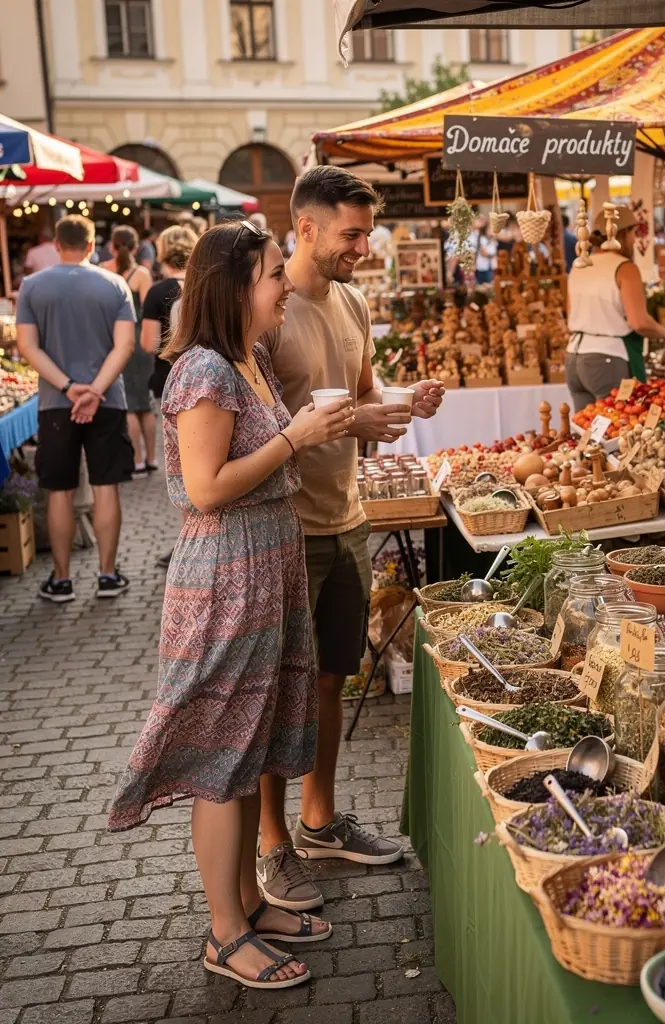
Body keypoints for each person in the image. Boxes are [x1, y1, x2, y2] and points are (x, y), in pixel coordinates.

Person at [108, 221, 355, 991]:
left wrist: (321, 429)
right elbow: (208, 487)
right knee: (221, 757)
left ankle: (248, 900)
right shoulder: (203, 372)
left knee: (246, 750)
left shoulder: (247, 361)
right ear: (236, 285)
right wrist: (295, 440)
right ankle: (224, 934)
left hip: (264, 566)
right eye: (275, 274)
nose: (286, 286)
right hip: (225, 580)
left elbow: (255, 459)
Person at [258, 165, 445, 910]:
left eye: (367, 233)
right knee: (280, 691)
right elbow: (259, 432)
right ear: (305, 228)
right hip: (287, 527)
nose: (364, 246)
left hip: (347, 517)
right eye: (353, 233)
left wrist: (402, 401)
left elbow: (363, 396)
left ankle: (320, 819)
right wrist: (354, 420)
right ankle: (272, 845)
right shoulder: (266, 312)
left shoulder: (356, 301)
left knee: (334, 676)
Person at [15, 215, 135, 602]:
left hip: (55, 404)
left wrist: (69, 388)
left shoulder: (32, 286)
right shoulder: (115, 284)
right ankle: (107, 574)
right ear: (90, 245)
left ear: (55, 244)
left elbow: (28, 348)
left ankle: (62, 579)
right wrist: (95, 390)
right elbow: (125, 346)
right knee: (105, 488)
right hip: (108, 400)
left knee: (60, 491)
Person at [565, 205, 665, 412]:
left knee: (586, 432)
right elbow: (639, 322)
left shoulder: (579, 265)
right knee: (616, 431)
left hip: (574, 358)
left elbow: (570, 315)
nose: (635, 241)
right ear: (622, 233)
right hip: (606, 360)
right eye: (633, 234)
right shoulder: (625, 268)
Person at [141, 224, 199, 569]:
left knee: (180, 469)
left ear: (162, 252)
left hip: (168, 385)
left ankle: (186, 543)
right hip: (204, 382)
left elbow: (149, 344)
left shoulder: (156, 291)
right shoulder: (201, 284)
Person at [102, 227, 155, 475]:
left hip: (115, 339)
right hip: (139, 338)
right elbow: (149, 312)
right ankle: (152, 459)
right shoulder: (142, 274)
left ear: (112, 246)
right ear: (136, 248)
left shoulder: (103, 270)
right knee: (145, 403)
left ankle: (135, 461)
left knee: (130, 406)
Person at [472, 219, 496, 284]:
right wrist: (492, 255)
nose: (491, 231)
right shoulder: (482, 239)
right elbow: (484, 253)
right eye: (490, 229)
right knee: (481, 286)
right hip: (482, 268)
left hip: (491, 268)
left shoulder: (494, 241)